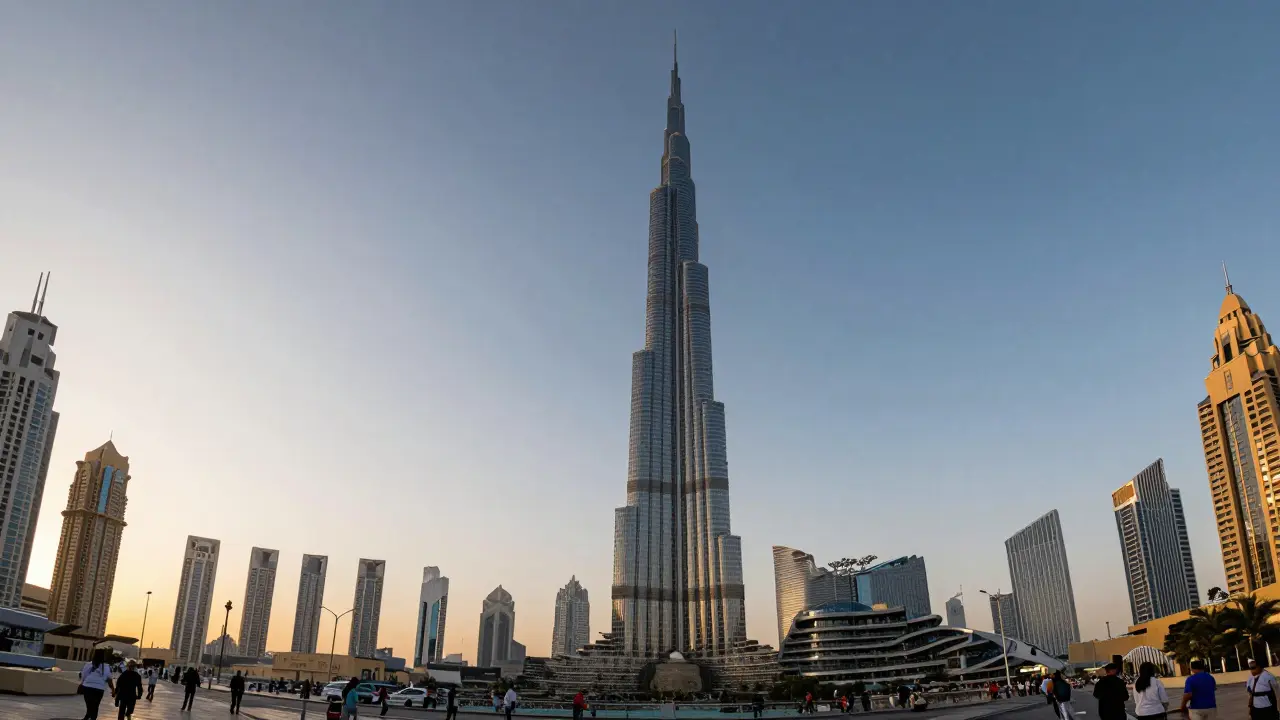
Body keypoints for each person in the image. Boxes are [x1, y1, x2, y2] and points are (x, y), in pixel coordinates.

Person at [79, 650, 115, 720]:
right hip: (99, 689)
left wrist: (81, 684)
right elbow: (109, 680)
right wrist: (113, 690)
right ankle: (91, 718)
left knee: (89, 705)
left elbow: (83, 676)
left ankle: (87, 717)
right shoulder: (107, 667)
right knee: (95, 706)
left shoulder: (88, 665)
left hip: (87, 687)